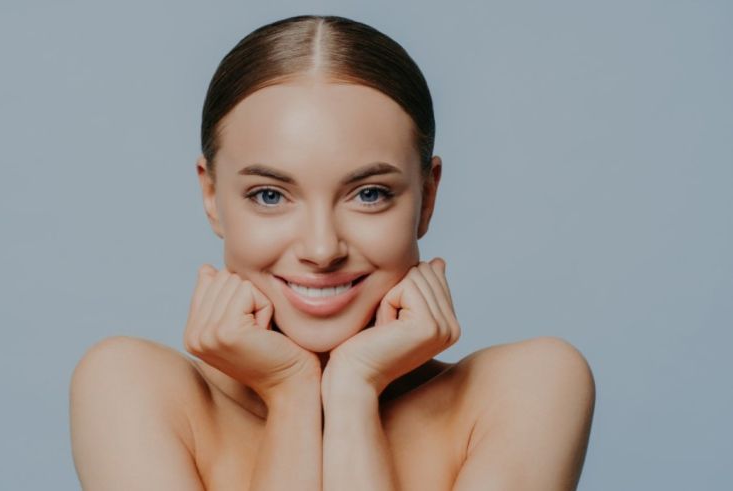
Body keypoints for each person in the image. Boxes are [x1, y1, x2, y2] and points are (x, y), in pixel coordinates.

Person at [69, 14, 595, 490]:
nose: (322, 249)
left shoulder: (526, 389)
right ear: (211, 196)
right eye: (269, 196)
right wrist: (290, 391)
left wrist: (353, 390)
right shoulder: (131, 390)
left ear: (428, 196)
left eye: (369, 194)